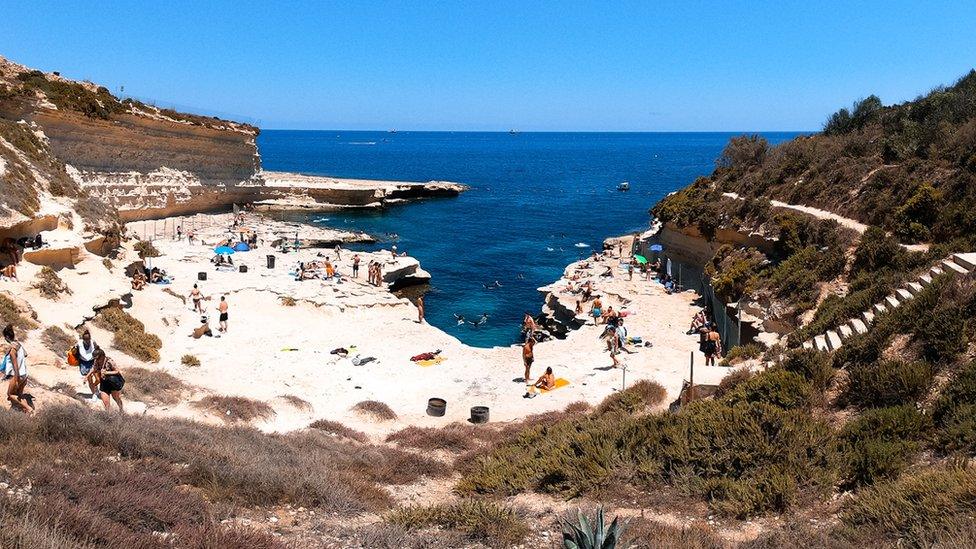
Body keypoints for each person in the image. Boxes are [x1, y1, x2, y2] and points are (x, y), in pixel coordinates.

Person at [3, 324, 31, 414]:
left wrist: (16, 379)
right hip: (25, 374)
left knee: (10, 394)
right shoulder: (18, 345)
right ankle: (25, 411)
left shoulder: (12, 351)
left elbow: (15, 366)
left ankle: (29, 409)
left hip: (19, 375)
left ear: (7, 337)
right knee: (19, 395)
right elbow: (26, 354)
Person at [75, 330, 100, 398]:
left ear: (90, 339)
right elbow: (75, 352)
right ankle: (94, 393)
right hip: (84, 363)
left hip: (92, 361)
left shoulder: (93, 342)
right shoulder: (79, 343)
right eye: (85, 340)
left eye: (88, 340)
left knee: (97, 378)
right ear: (83, 339)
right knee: (89, 379)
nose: (87, 341)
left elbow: (98, 350)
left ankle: (95, 388)